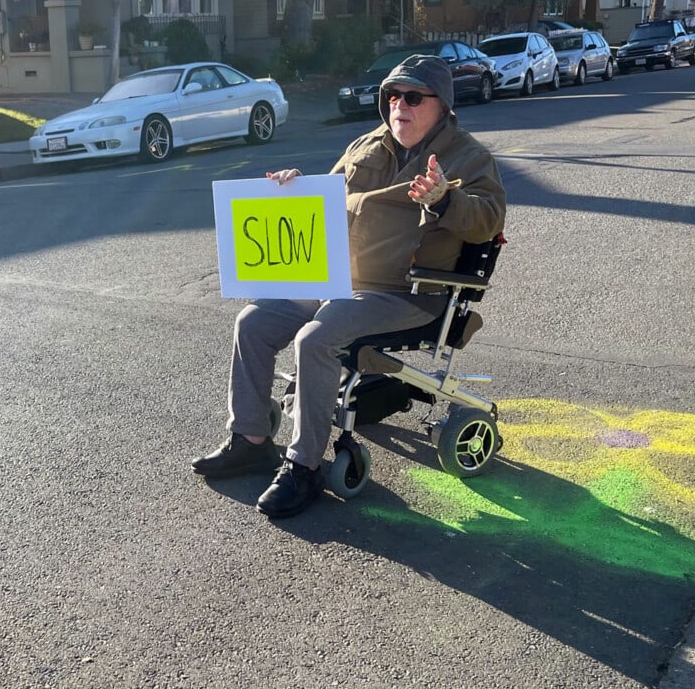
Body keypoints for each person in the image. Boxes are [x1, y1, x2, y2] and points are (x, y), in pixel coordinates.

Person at [192, 55, 506, 519]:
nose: (400, 105)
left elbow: (488, 221)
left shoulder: (469, 157)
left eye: (414, 97)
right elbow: (327, 195)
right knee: (253, 322)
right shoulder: (367, 145)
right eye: (393, 96)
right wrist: (293, 186)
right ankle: (251, 439)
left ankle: (305, 467)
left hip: (408, 293)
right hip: (339, 282)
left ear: (442, 105)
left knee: (316, 339)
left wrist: (445, 198)